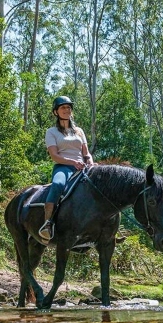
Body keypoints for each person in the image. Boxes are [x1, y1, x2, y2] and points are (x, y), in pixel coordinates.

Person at [39, 96, 95, 240]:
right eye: (63, 107)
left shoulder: (79, 131)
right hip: (63, 167)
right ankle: (47, 223)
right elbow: (54, 155)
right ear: (56, 112)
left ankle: (109, 229)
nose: (67, 110)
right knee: (57, 184)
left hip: (83, 168)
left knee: (103, 186)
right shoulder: (51, 132)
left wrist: (91, 163)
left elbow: (86, 153)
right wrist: (72, 162)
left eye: (69, 107)